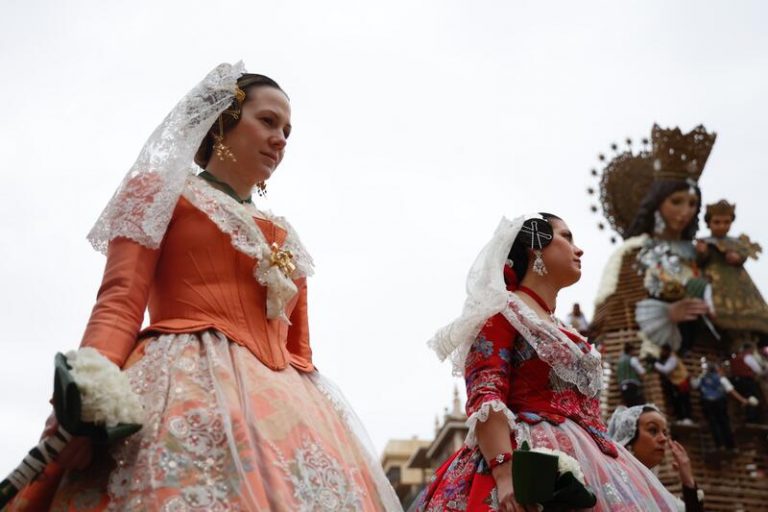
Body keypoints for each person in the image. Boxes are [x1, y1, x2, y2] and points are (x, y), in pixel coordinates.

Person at [8, 63, 400, 511]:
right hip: (182, 389)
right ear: (221, 122)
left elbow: (300, 353)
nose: (280, 140)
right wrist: (84, 401)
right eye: (268, 121)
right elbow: (119, 303)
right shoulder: (161, 193)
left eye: (287, 131)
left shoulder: (287, 236)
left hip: (289, 415)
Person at [417, 214, 680, 511]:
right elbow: (486, 392)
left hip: (593, 464)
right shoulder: (503, 311)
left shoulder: (563, 329)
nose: (578, 250)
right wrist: (504, 472)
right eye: (566, 237)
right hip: (528, 461)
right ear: (535, 246)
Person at [696, 200, 768, 343]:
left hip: (738, 283)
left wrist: (738, 258)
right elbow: (698, 262)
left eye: (726, 222)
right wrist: (702, 253)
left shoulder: (737, 242)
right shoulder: (704, 242)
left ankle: (746, 340)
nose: (722, 226)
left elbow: (744, 254)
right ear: (709, 223)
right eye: (717, 222)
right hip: (713, 281)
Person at [608, 404, 703, 512]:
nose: (663, 439)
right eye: (653, 430)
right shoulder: (613, 487)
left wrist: (688, 481)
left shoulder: (660, 494)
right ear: (629, 438)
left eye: (665, 433)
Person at [691, 362, 754, 450]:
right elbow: (731, 390)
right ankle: (730, 445)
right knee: (724, 423)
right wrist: (742, 400)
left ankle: (720, 445)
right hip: (719, 402)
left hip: (707, 403)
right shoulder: (721, 378)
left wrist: (693, 377)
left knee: (713, 424)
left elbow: (694, 385)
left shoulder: (703, 378)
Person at [653, 344, 693, 424]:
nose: (661, 353)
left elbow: (666, 370)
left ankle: (687, 418)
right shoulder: (667, 359)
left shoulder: (673, 358)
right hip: (676, 382)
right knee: (677, 400)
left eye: (663, 351)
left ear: (667, 351)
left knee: (684, 400)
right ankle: (680, 418)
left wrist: (655, 364)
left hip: (682, 381)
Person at [730, 342, 766, 423]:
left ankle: (744, 416)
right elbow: (758, 370)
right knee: (753, 398)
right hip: (746, 381)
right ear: (749, 349)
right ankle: (752, 418)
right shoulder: (748, 357)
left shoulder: (736, 357)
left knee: (744, 397)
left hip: (736, 381)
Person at [617, 342, 647, 406]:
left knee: (628, 405)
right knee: (637, 405)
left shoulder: (620, 361)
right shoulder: (632, 359)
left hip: (622, 386)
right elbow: (642, 372)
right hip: (632, 385)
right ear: (631, 350)